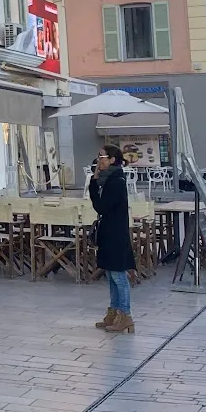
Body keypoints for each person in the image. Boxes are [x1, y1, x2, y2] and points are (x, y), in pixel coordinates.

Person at [89, 143, 136, 334]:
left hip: (116, 233)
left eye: (102, 157)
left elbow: (101, 207)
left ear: (112, 160)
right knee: (110, 274)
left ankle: (125, 315)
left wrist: (93, 183)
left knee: (118, 275)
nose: (98, 161)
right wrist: (95, 181)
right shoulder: (108, 180)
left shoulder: (116, 181)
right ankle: (114, 312)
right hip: (109, 232)